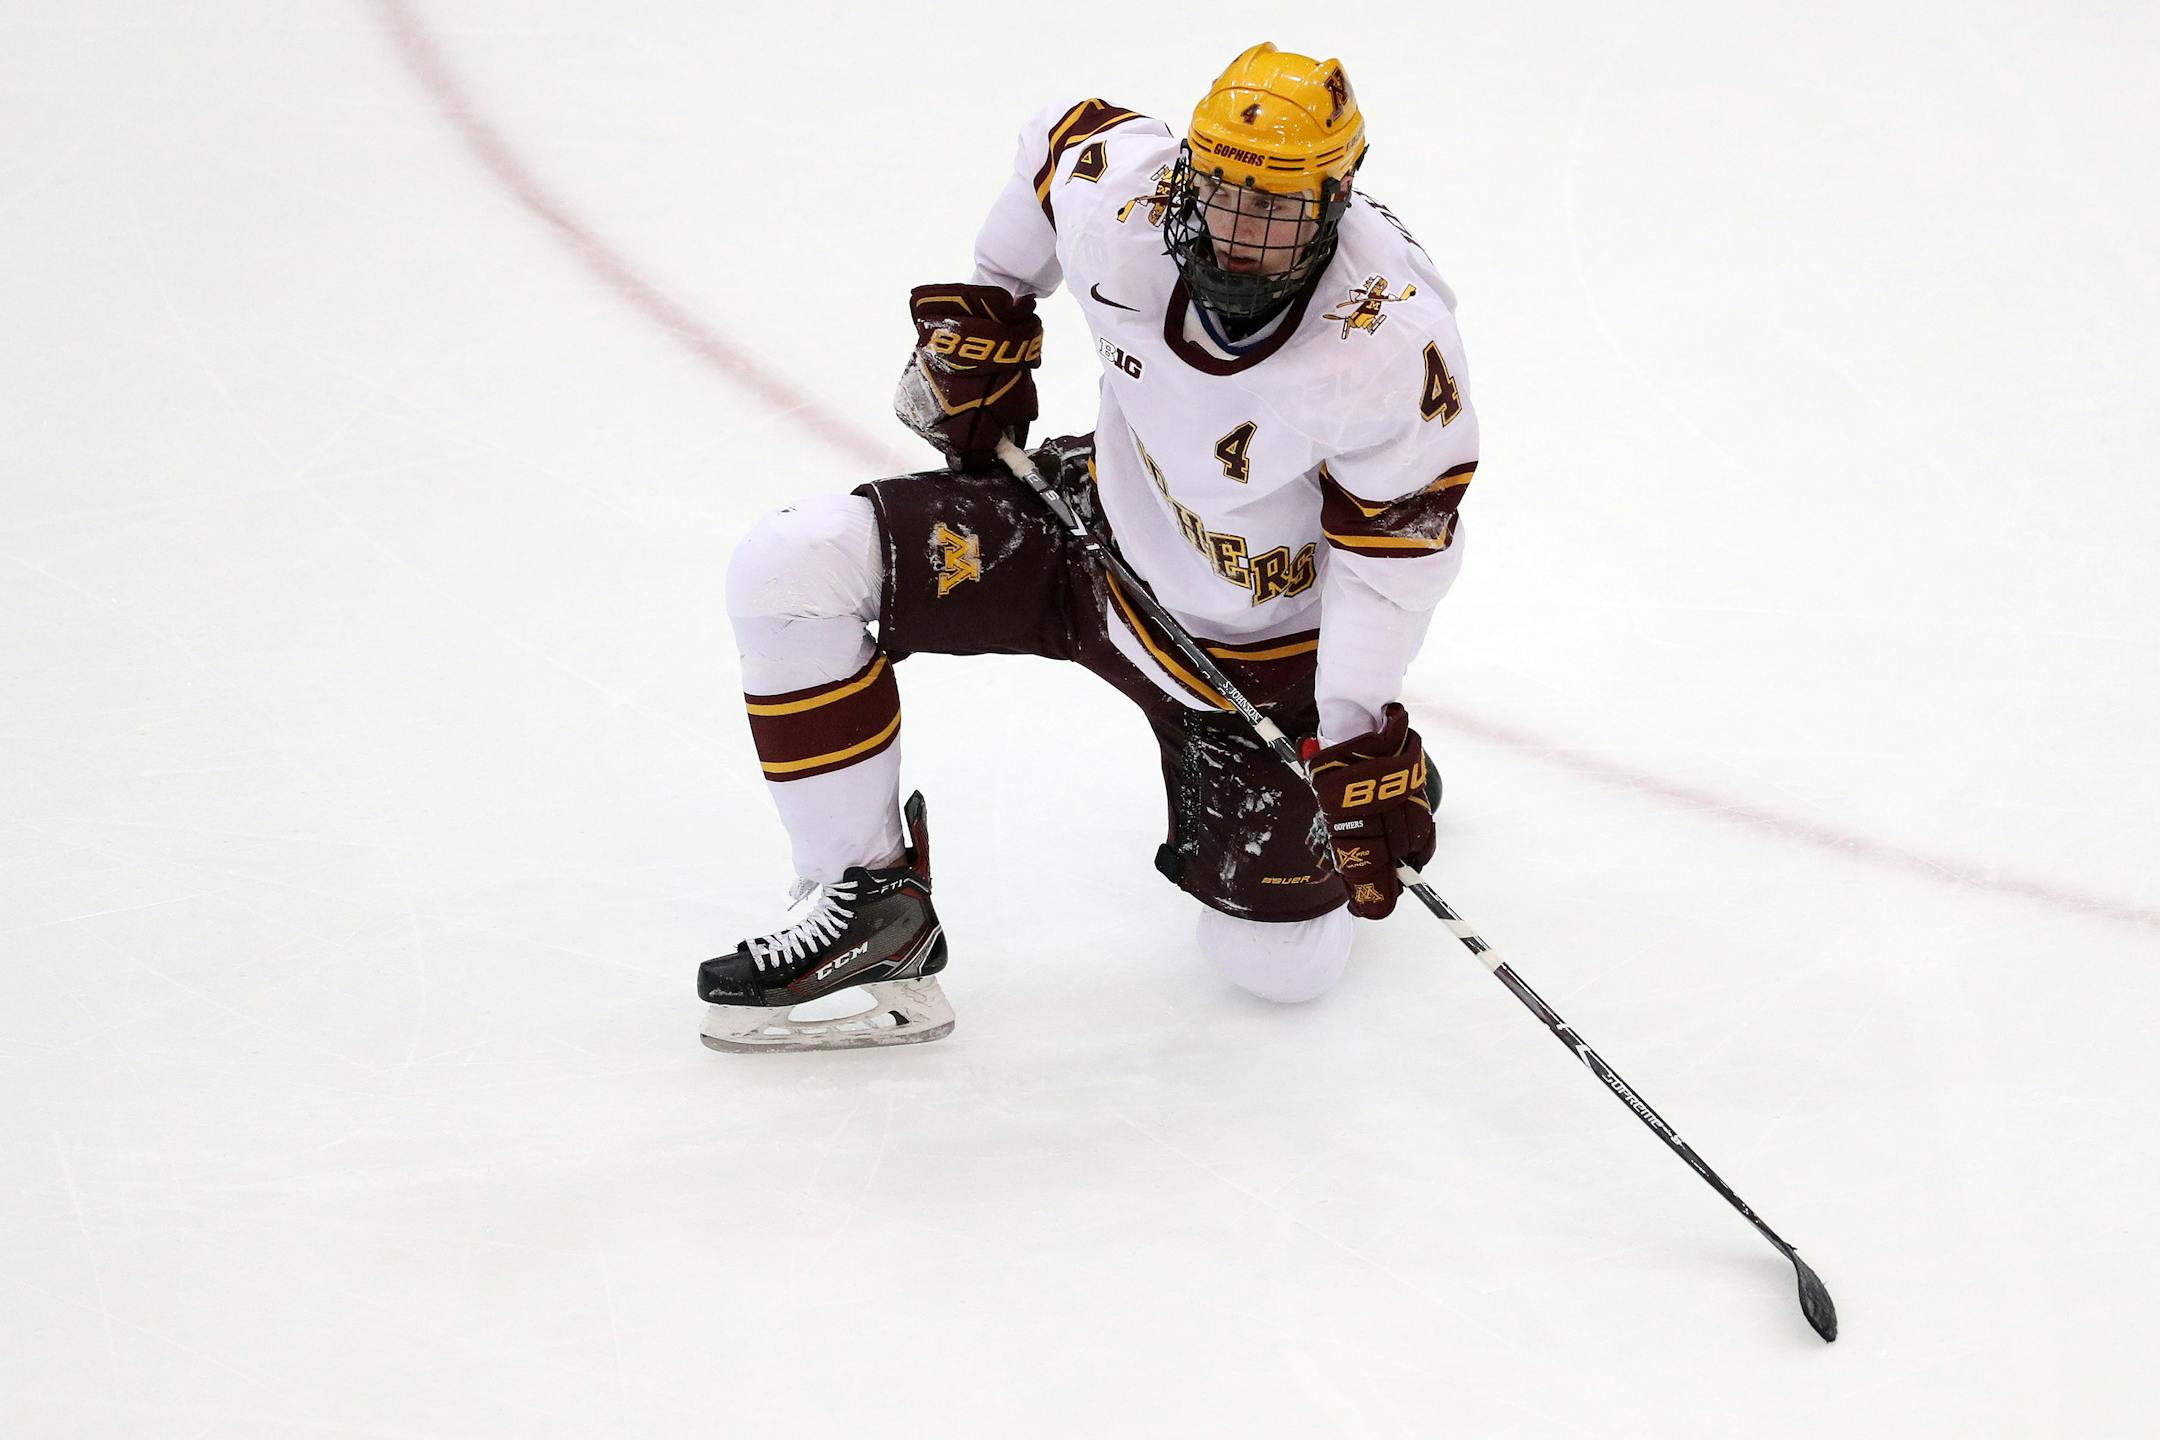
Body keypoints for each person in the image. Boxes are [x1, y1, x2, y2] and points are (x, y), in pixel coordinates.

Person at [701, 42, 1479, 1052]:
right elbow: (1057, 138)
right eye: (1230, 196)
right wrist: (995, 302)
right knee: (791, 569)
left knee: (1276, 972)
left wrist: (1353, 731)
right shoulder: (1130, 200)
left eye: (1281, 211)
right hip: (1086, 529)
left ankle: (1384, 797)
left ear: (1335, 202)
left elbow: (1394, 560)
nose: (1244, 235)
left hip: (1254, 653)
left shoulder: (1392, 342)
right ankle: (872, 910)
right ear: (1193, 175)